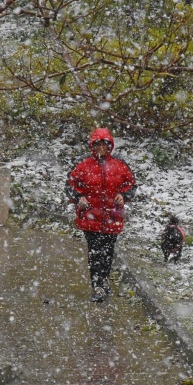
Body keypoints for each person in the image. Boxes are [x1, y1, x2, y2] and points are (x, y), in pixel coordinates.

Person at [66, 127, 136, 302]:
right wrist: (79, 197)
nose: (101, 147)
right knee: (95, 252)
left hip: (112, 217)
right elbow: (70, 185)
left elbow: (131, 184)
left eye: (104, 144)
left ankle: (104, 279)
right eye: (97, 144)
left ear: (109, 145)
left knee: (108, 251)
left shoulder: (119, 165)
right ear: (93, 146)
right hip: (91, 216)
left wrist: (123, 195)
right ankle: (97, 284)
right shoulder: (84, 166)